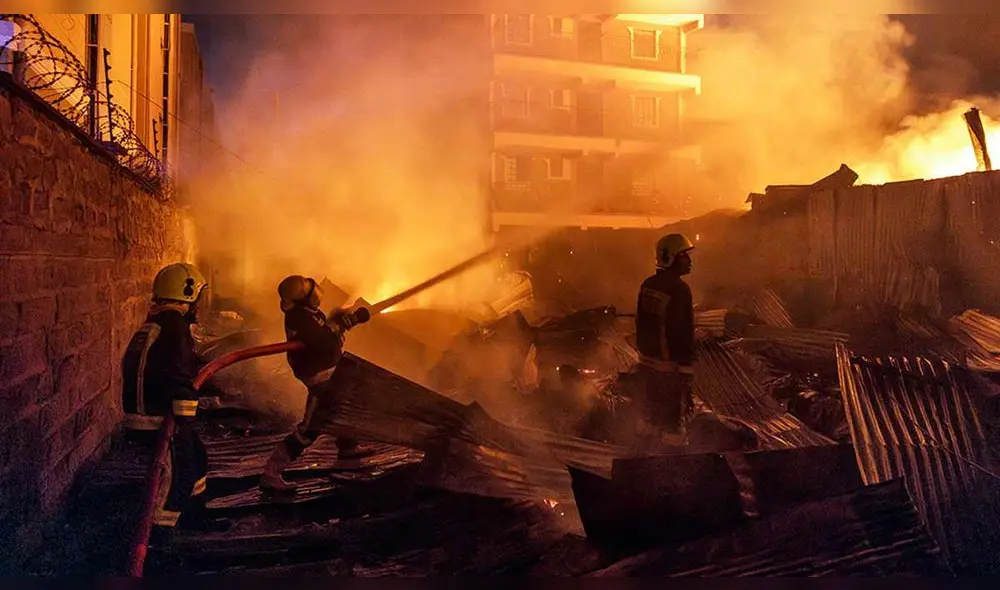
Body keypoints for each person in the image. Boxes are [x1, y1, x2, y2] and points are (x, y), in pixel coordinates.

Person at [260, 275, 372, 493]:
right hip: (319, 377)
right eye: (311, 291)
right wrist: (344, 324)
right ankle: (271, 473)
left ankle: (348, 451)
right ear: (303, 299)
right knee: (310, 427)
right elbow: (322, 340)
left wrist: (338, 319)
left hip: (328, 372)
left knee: (343, 404)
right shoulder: (298, 319)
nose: (317, 293)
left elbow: (324, 329)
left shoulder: (305, 314)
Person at [120, 262, 209, 533]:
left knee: (196, 457)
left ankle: (194, 519)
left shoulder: (156, 323)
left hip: (145, 413)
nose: (199, 305)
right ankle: (159, 539)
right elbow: (179, 372)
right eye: (198, 298)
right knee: (175, 477)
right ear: (187, 294)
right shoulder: (174, 327)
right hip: (160, 419)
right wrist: (186, 415)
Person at [634, 233, 696, 438]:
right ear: (670, 257)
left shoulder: (648, 284)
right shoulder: (679, 289)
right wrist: (686, 373)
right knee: (673, 425)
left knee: (650, 419)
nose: (689, 261)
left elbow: (640, 322)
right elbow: (681, 331)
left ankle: (644, 457)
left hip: (647, 365)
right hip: (669, 370)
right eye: (684, 256)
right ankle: (672, 462)